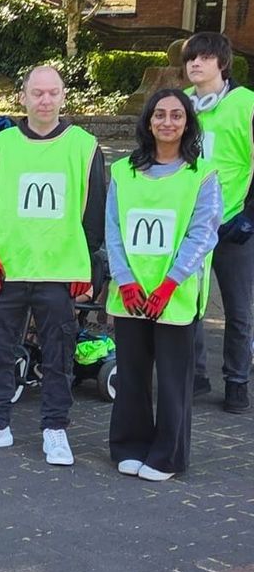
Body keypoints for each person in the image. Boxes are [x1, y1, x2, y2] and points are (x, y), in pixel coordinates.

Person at [0, 65, 105, 465]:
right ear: (23, 96)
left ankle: (55, 429)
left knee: (59, 353)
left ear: (62, 96)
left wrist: (86, 265)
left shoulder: (85, 146)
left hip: (59, 271)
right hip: (7, 268)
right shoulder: (1, 145)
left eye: (52, 92)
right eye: (36, 92)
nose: (44, 100)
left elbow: (94, 214)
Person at [107, 89, 220, 481]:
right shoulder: (123, 172)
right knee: (133, 375)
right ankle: (129, 444)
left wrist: (170, 285)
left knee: (173, 380)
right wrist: (124, 280)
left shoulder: (202, 175)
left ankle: (166, 455)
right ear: (148, 122)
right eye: (159, 115)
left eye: (176, 115)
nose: (167, 122)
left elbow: (202, 235)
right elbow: (114, 230)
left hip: (174, 295)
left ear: (187, 122)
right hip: (130, 293)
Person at [183, 31, 254, 413]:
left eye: (204, 57)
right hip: (192, 224)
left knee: (238, 310)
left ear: (222, 63)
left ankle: (237, 382)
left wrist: (248, 216)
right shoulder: (182, 106)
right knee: (189, 303)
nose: (195, 63)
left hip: (234, 224)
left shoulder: (246, 103)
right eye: (190, 58)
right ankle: (194, 377)